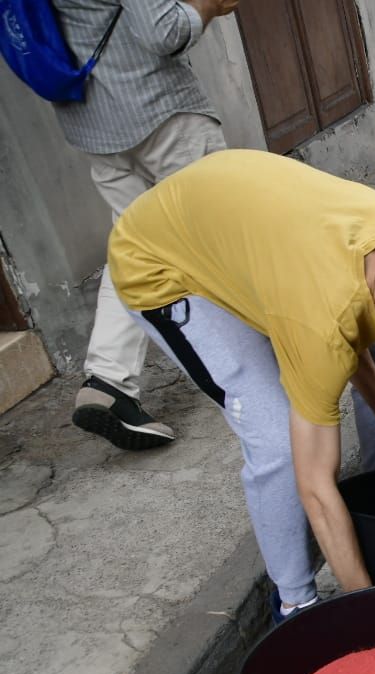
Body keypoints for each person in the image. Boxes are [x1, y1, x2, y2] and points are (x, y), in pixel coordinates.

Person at [108, 149, 375, 621]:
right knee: (278, 444)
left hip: (236, 224)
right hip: (162, 261)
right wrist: (372, 604)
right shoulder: (318, 324)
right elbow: (316, 489)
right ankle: (294, 600)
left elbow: (350, 322)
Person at [52, 0, 239, 450]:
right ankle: (264, 366)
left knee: (132, 249)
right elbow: (164, 30)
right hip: (160, 113)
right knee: (224, 237)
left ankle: (108, 381)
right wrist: (211, 6)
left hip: (91, 121)